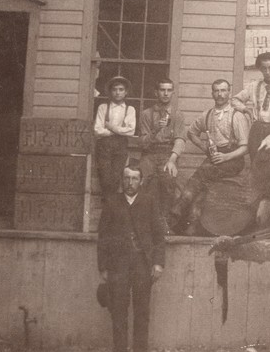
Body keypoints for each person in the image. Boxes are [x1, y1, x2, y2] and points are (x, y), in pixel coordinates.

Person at [96, 166, 166, 352]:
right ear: (122, 180)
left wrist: (158, 264)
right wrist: (103, 266)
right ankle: (118, 351)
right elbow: (103, 237)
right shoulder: (112, 202)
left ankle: (140, 351)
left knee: (142, 308)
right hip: (118, 263)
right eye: (127, 178)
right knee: (118, 307)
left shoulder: (149, 202)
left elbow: (159, 237)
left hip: (142, 262)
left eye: (135, 179)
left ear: (141, 181)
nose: (130, 183)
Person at [175, 79, 250, 234]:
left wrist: (226, 157)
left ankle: (179, 208)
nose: (220, 94)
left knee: (202, 174)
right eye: (216, 91)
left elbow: (245, 148)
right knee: (203, 186)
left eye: (223, 90)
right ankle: (193, 223)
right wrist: (204, 147)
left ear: (229, 93)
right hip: (214, 158)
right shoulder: (207, 114)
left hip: (233, 159)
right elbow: (191, 133)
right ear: (212, 94)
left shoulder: (237, 116)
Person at [136, 78, 185, 225]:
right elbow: (143, 143)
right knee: (142, 182)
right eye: (162, 90)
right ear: (156, 92)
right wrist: (156, 129)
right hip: (149, 153)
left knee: (169, 182)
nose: (165, 93)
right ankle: (143, 223)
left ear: (173, 93)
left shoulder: (177, 115)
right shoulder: (146, 114)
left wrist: (172, 160)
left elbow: (180, 140)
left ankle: (165, 223)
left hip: (168, 154)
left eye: (169, 90)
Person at [92, 76, 136, 198]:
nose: (117, 92)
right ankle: (107, 205)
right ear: (110, 91)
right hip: (103, 147)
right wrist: (119, 130)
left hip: (120, 147)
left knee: (116, 178)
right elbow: (97, 130)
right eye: (115, 89)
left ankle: (110, 206)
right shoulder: (103, 107)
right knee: (105, 178)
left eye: (121, 89)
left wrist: (111, 127)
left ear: (126, 92)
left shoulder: (130, 109)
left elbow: (131, 131)